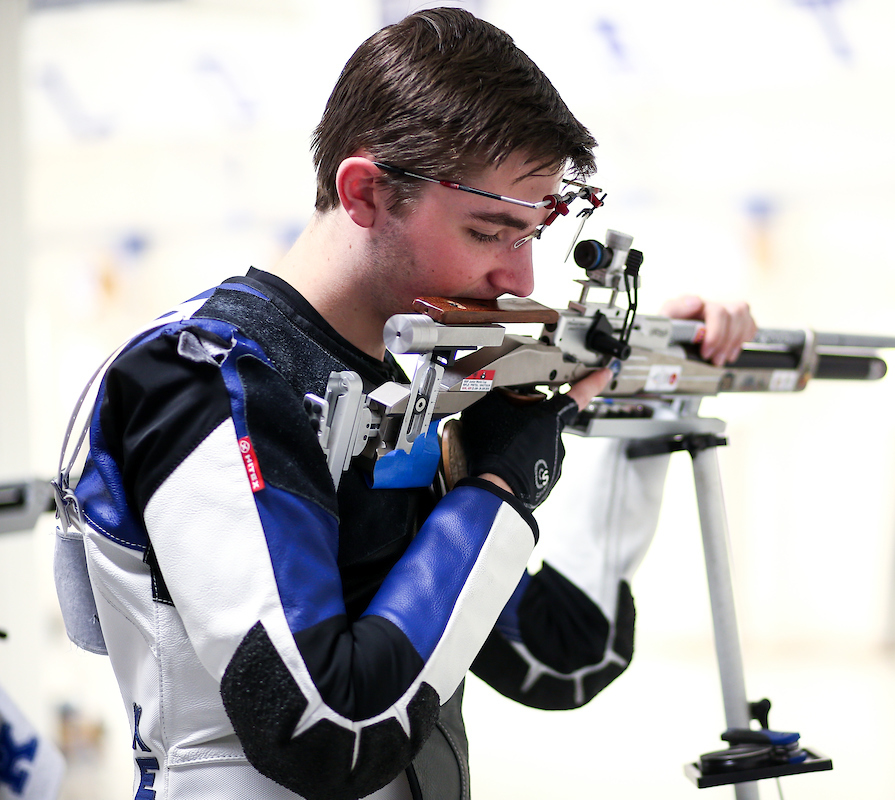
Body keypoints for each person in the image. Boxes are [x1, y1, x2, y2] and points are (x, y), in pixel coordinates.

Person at [58, 8, 756, 800]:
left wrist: (648, 396)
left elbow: (563, 655)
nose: (522, 280)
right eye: (491, 231)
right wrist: (493, 494)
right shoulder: (201, 377)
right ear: (366, 192)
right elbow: (324, 732)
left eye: (533, 234)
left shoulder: (402, 392)